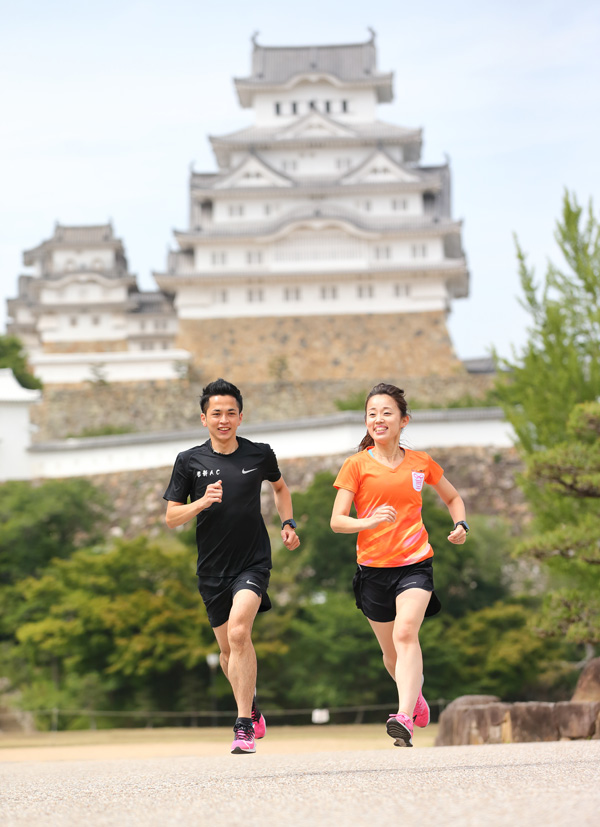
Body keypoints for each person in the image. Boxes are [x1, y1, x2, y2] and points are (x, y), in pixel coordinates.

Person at [163, 378, 300, 755]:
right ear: (203, 418)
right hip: (211, 569)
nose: (224, 419)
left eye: (230, 413)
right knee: (227, 652)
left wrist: (288, 524)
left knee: (240, 634)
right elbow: (172, 517)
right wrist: (200, 503)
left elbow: (281, 488)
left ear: (241, 416)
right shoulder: (189, 461)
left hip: (252, 561)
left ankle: (242, 726)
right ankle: (251, 706)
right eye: (216, 413)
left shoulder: (259, 454)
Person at [330, 382, 468, 747]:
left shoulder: (421, 463)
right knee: (391, 654)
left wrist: (461, 524)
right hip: (373, 570)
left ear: (403, 420)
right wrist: (369, 522)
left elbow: (453, 497)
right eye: (372, 413)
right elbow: (337, 521)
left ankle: (403, 716)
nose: (378, 419)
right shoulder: (356, 465)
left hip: (415, 564)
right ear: (366, 422)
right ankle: (415, 696)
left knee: (406, 633)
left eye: (386, 412)